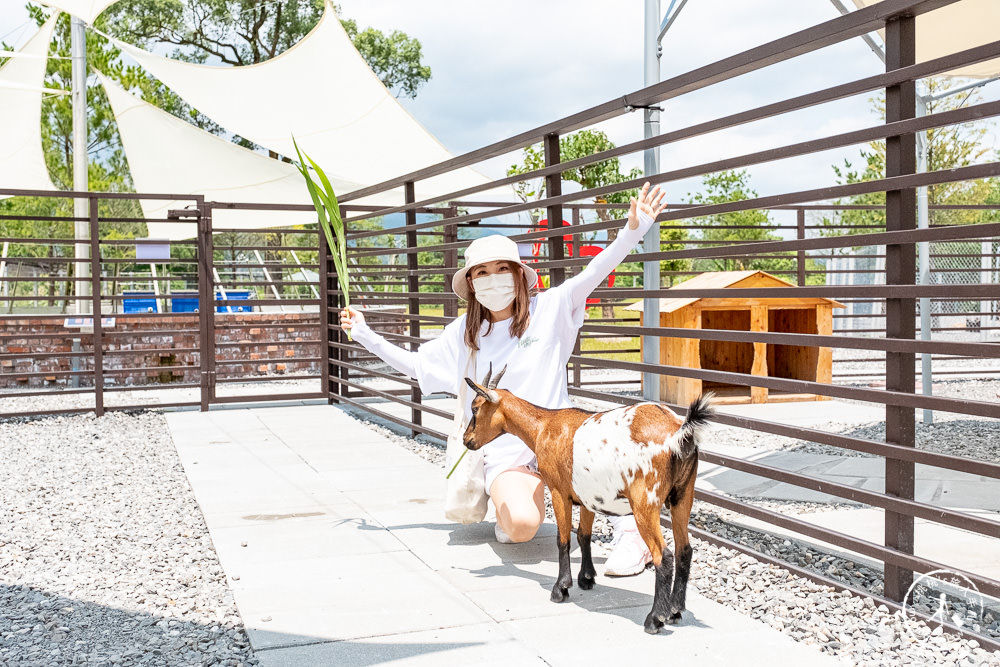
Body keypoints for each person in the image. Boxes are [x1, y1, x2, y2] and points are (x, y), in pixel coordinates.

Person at [341, 182, 668, 576]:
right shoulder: (465, 334)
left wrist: (632, 231)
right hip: (509, 454)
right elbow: (416, 366)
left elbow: (594, 272)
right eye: (482, 272)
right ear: (472, 285)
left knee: (606, 452)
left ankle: (630, 533)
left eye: (502, 269)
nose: (493, 279)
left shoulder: (551, 309)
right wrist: (365, 335)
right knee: (521, 527)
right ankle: (514, 506)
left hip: (563, 440)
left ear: (518, 275)